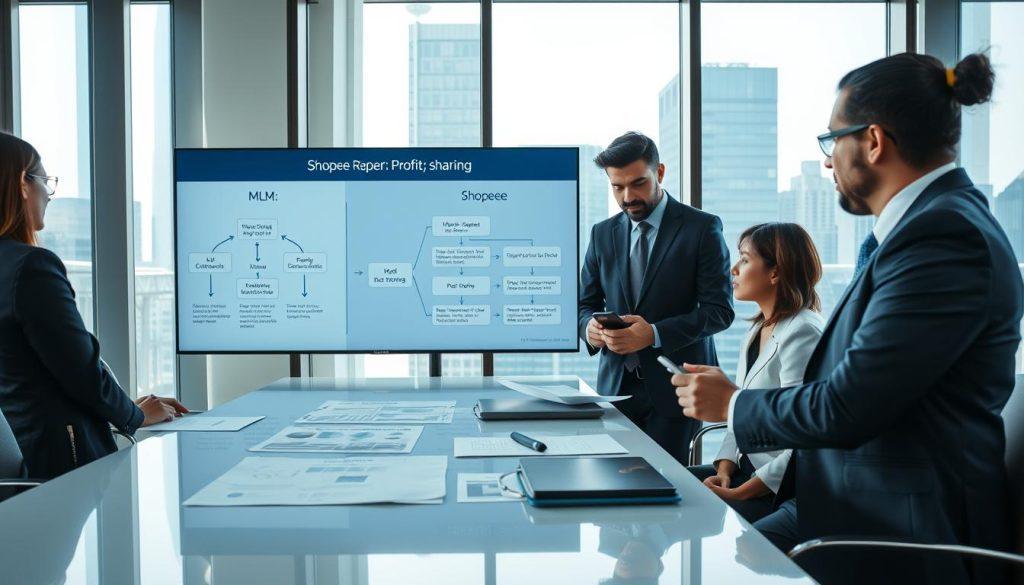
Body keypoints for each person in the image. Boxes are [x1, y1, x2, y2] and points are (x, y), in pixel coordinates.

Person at [672, 52, 1022, 585]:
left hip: (901, 539)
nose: (830, 161)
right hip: (859, 513)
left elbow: (849, 404)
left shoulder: (944, 237)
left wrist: (733, 403)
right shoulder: (918, 230)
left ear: (875, 141)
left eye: (832, 140)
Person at [0, 132, 186, 480]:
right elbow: (78, 368)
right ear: (22, 185)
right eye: (45, 181)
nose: (49, 196)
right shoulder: (31, 267)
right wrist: (134, 416)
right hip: (58, 463)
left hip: (19, 462)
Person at [579, 131, 734, 463]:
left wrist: (653, 333)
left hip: (676, 388)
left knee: (669, 490)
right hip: (615, 388)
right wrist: (588, 329)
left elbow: (719, 311)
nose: (627, 197)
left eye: (638, 183)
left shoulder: (702, 228)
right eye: (617, 187)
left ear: (660, 173)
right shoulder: (602, 233)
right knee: (614, 489)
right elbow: (584, 305)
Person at [688, 223, 824, 524]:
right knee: (669, 485)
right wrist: (723, 469)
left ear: (775, 272)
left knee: (682, 509)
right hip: (742, 470)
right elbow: (741, 411)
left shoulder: (803, 333)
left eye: (745, 259)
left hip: (776, 487)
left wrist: (742, 493)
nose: (734, 269)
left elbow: (803, 437)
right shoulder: (758, 329)